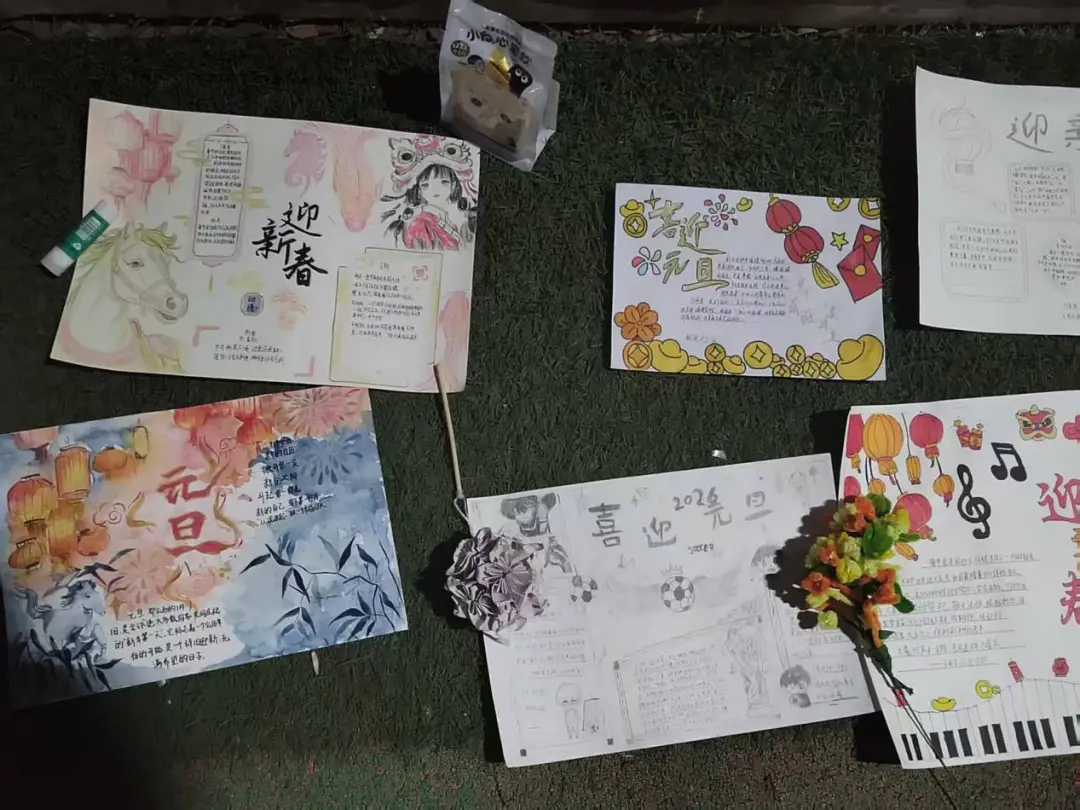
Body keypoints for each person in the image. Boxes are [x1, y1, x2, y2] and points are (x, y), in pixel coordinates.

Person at [380, 163, 476, 251]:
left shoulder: (450, 224)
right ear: (419, 190)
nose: (435, 189)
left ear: (453, 185)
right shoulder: (420, 225)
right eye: (425, 185)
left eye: (444, 182)